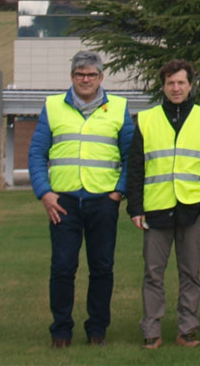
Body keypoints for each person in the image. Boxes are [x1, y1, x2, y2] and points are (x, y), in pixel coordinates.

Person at [28, 50, 133, 348]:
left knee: (101, 268)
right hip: (64, 203)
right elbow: (37, 153)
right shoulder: (52, 107)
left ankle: (97, 329)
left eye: (90, 75)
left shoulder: (119, 108)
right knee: (62, 267)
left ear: (101, 77)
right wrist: (45, 193)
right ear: (72, 77)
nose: (85, 80)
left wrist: (118, 193)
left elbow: (130, 156)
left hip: (103, 201)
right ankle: (60, 330)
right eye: (79, 75)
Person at [125, 59, 200, 349]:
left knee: (191, 272)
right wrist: (136, 208)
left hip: (193, 208)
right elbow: (136, 167)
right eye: (170, 83)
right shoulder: (146, 119)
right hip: (156, 209)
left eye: (181, 82)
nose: (176, 88)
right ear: (163, 86)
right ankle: (151, 330)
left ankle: (187, 329)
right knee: (153, 273)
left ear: (191, 85)